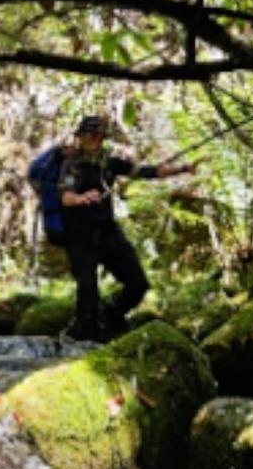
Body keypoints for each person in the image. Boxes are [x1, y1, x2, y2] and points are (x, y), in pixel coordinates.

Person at [57, 114, 196, 341]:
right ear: (80, 138)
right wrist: (81, 198)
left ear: (101, 138)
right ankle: (83, 337)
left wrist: (183, 168)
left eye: (96, 135)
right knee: (88, 289)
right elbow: (65, 197)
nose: (91, 139)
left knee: (137, 284)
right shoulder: (72, 165)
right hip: (80, 237)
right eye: (86, 135)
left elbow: (149, 172)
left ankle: (112, 312)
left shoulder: (110, 163)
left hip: (108, 233)